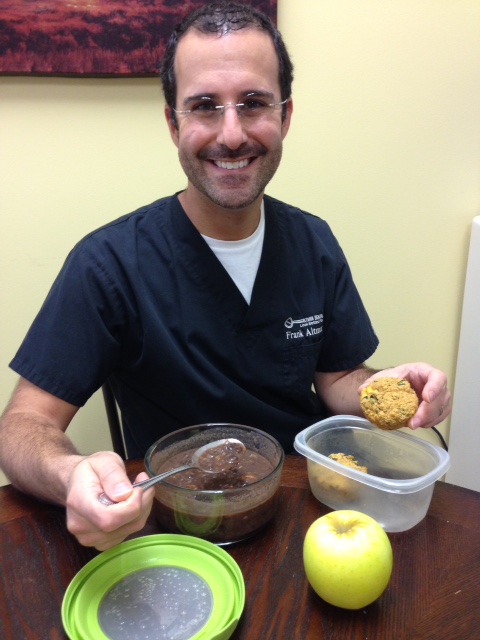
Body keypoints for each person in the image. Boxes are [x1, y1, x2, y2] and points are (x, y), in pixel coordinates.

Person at [0, 2, 450, 550]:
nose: (231, 134)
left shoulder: (314, 243)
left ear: (285, 116)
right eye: (205, 107)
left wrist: (390, 391)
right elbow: (22, 426)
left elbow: (336, 383)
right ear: (173, 123)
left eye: (254, 103)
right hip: (174, 524)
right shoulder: (109, 263)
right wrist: (71, 474)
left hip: (309, 512)